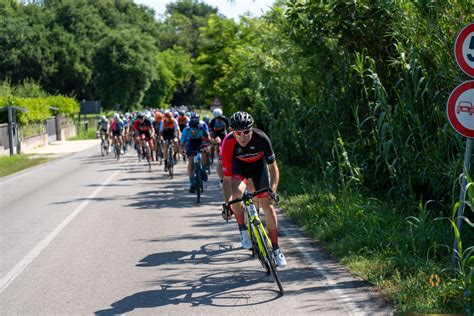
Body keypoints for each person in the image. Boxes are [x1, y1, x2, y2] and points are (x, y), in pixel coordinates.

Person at [221, 111, 287, 268]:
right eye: (238, 133)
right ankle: (243, 229)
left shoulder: (262, 138)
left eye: (246, 132)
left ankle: (276, 249)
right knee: (236, 195)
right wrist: (227, 203)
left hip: (259, 168)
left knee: (267, 205)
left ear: (252, 129)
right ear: (232, 132)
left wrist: (273, 190)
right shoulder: (228, 143)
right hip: (239, 169)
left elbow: (273, 169)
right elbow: (227, 180)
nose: (243, 136)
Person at [181, 114, 210, 193]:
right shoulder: (186, 130)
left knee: (204, 152)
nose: (194, 131)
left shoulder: (202, 129)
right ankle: (192, 184)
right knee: (191, 162)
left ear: (198, 126)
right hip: (190, 144)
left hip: (200, 142)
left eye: (196, 128)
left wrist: (208, 148)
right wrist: (183, 150)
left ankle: (203, 171)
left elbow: (208, 139)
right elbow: (182, 143)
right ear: (189, 127)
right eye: (192, 129)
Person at [209, 108, 230, 181]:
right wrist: (212, 138)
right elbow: (210, 130)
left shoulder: (225, 120)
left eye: (219, 117)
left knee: (226, 143)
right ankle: (216, 157)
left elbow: (229, 127)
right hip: (216, 134)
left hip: (223, 133)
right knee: (216, 143)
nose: (218, 119)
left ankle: (225, 154)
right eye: (217, 117)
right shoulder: (213, 121)